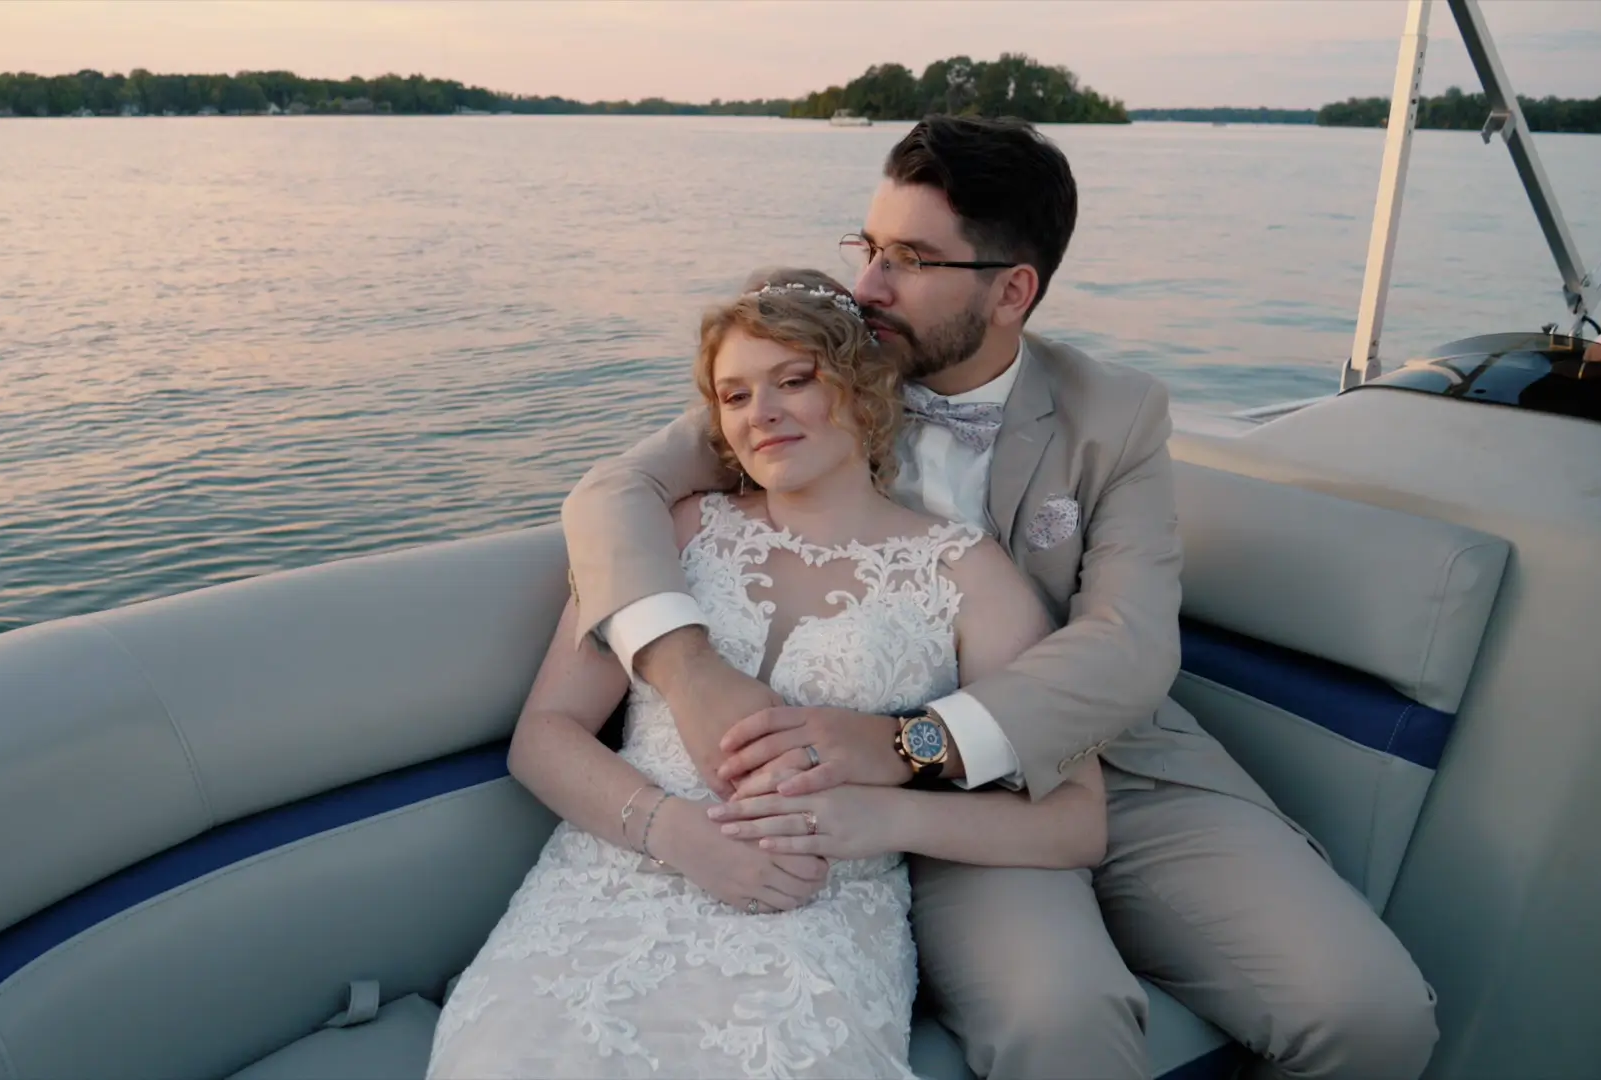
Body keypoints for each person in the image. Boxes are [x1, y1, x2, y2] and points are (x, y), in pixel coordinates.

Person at [560, 116, 1439, 1079]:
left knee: (1375, 1014)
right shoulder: (823, 372)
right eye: (869, 247)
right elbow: (614, 491)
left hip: (1099, 756)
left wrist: (910, 744)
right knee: (1065, 1019)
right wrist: (688, 671)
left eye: (910, 259)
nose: (867, 287)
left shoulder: (1118, 413)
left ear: (1013, 289)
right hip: (869, 789)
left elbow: (1132, 644)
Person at [426, 269, 1106, 1079]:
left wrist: (876, 821)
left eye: (793, 380)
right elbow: (544, 737)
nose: (764, 414)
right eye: (735, 395)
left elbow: (1074, 820)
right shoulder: (671, 534)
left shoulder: (965, 573)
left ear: (863, 385)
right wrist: (675, 833)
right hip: (606, 888)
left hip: (812, 915)